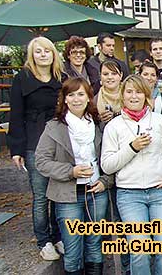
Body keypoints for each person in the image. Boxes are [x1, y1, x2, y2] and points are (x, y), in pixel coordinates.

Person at [101, 75, 162, 275]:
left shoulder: (160, 121)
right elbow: (107, 165)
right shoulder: (114, 126)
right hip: (130, 194)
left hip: (161, 193)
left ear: (146, 95)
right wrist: (132, 147)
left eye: (138, 91)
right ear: (122, 95)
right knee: (140, 249)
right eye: (129, 91)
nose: (133, 96)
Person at [35, 77, 112, 275]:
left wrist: (105, 181)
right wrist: (71, 171)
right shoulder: (54, 127)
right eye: (71, 95)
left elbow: (109, 158)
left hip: (96, 192)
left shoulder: (97, 124)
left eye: (81, 94)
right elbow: (41, 162)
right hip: (67, 195)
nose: (76, 99)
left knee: (95, 244)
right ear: (65, 99)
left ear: (88, 98)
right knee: (73, 248)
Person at [7, 36, 63, 261]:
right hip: (34, 143)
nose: (43, 54)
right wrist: (16, 149)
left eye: (47, 51)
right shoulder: (22, 79)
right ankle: (44, 240)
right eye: (38, 51)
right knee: (41, 196)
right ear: (32, 55)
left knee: (59, 194)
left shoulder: (61, 78)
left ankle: (58, 236)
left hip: (59, 143)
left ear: (53, 54)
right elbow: (16, 115)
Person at [94, 60, 124, 127]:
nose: (110, 77)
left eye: (114, 73)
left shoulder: (131, 95)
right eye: (105, 74)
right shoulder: (94, 101)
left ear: (121, 75)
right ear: (100, 76)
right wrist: (100, 120)